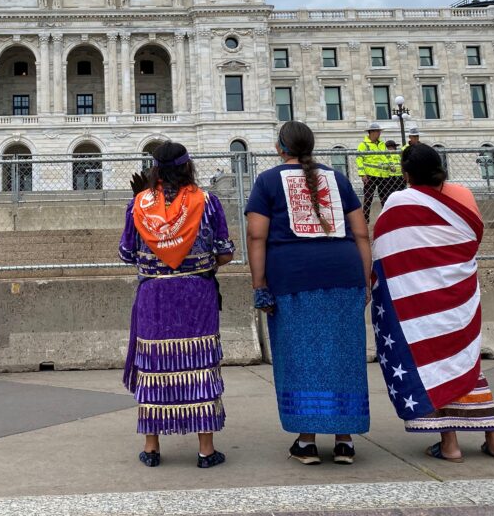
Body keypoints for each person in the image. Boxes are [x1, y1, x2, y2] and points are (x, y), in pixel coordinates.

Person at [371, 144, 494, 463]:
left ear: (406, 175)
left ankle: (450, 444)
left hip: (420, 298)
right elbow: (472, 238)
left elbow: (385, 248)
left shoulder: (399, 201)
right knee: (468, 362)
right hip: (458, 292)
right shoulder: (462, 195)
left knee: (434, 364)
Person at [245, 120, 372, 465]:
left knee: (299, 356)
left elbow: (256, 236)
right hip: (343, 273)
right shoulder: (338, 179)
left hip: (294, 276)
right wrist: (365, 278)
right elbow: (361, 233)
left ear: (279, 147)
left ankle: (307, 440)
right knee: (345, 355)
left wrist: (259, 284)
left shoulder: (268, 181)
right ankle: (345, 439)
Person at [120, 141, 234, 469]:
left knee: (154, 366)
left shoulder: (138, 205)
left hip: (154, 296)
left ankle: (152, 447)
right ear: (188, 167)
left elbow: (126, 253)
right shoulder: (208, 202)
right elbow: (225, 251)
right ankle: (205, 450)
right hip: (197, 294)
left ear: (154, 169)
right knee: (198, 363)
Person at [357, 121, 390, 221]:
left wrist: (388, 167)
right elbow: (359, 159)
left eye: (379, 131)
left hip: (383, 175)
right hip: (370, 175)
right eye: (377, 131)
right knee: (368, 198)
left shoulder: (382, 144)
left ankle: (387, 217)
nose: (379, 133)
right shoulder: (363, 145)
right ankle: (365, 219)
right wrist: (362, 174)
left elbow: (387, 156)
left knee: (384, 198)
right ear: (371, 132)